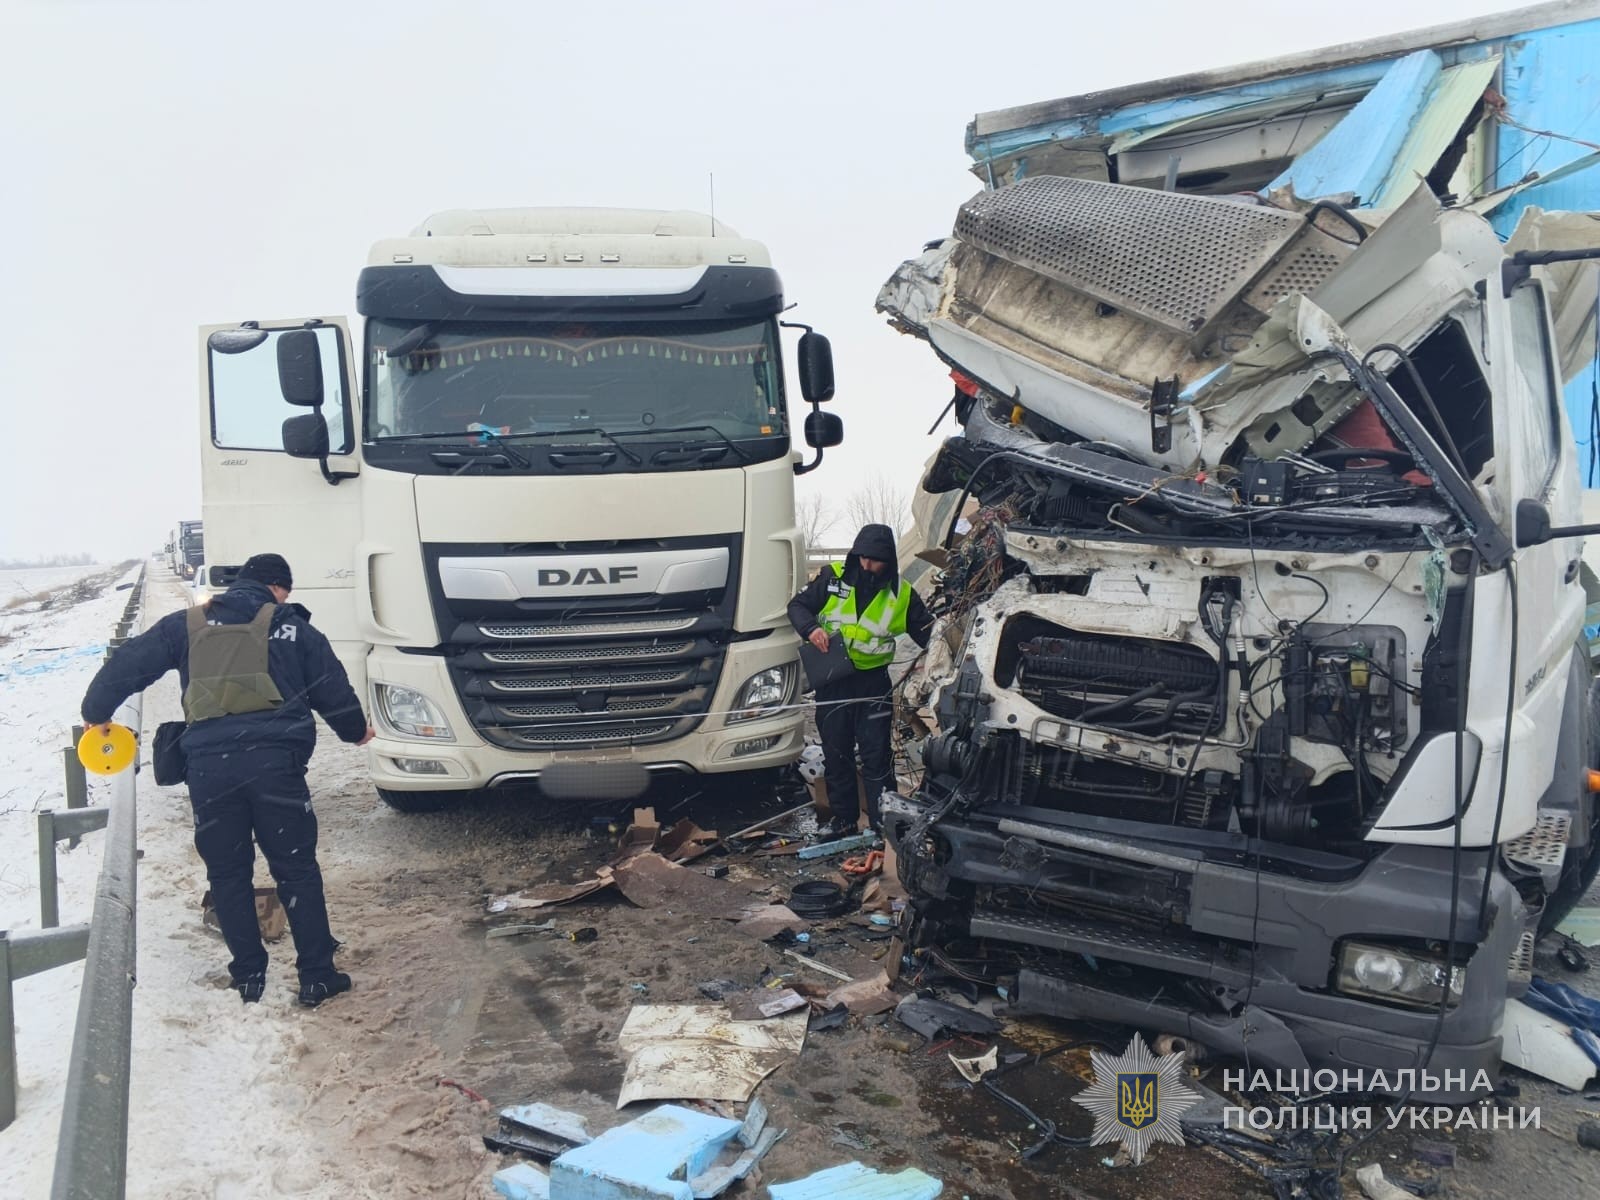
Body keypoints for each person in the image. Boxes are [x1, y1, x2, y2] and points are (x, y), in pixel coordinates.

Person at [80, 553, 375, 1007]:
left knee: (227, 872)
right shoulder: (293, 627)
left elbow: (129, 664)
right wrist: (355, 731)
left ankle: (249, 977)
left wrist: (95, 713)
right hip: (276, 766)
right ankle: (317, 976)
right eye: (286, 591)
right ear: (277, 588)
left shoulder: (186, 624)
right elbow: (331, 686)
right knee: (296, 868)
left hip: (210, 770)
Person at [788, 523, 933, 837]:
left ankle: (884, 823)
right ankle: (844, 820)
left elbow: (930, 635)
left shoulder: (902, 594)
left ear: (889, 561)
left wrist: (939, 660)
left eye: (875, 560)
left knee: (876, 754)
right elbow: (797, 606)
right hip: (833, 681)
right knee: (836, 752)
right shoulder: (832, 578)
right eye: (863, 557)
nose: (867, 565)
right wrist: (811, 629)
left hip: (873, 684)